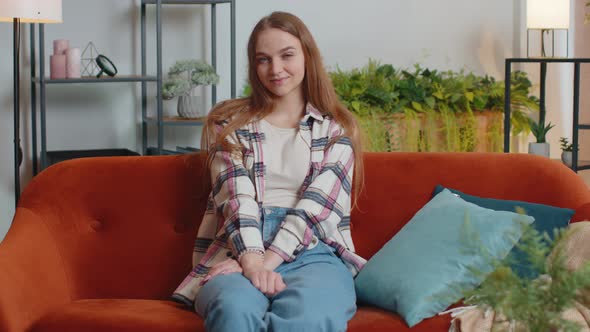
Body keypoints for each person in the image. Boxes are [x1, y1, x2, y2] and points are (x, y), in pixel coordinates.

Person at [172, 11, 366, 332]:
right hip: (239, 248)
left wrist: (265, 263)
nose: (275, 69)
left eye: (286, 55)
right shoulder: (229, 125)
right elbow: (237, 201)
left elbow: (316, 210)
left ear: (307, 55)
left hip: (314, 251)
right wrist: (250, 260)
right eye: (263, 59)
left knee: (311, 318)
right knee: (233, 309)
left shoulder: (337, 130)